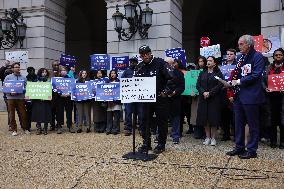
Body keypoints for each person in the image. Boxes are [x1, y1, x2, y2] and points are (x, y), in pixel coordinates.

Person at [226, 34, 265, 159]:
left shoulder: (257, 56)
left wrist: (238, 82)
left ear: (249, 44)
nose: (239, 46)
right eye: (239, 44)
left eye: (241, 44)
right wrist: (230, 82)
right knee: (238, 123)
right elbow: (238, 73)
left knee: (253, 124)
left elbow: (256, 75)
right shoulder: (241, 57)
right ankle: (239, 147)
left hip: (251, 95)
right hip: (239, 95)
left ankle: (252, 150)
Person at [135, 45, 174, 154]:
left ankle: (161, 144)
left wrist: (166, 92)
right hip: (145, 99)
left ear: (150, 53)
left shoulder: (161, 63)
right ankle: (146, 144)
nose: (145, 56)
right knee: (143, 121)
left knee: (161, 121)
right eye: (143, 55)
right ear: (141, 56)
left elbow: (172, 78)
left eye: (147, 53)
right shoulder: (139, 67)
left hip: (160, 98)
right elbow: (135, 82)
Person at [196, 56, 224, 146]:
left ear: (214, 63)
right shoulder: (202, 73)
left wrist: (210, 93)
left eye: (210, 61)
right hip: (204, 99)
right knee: (205, 119)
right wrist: (203, 92)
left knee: (213, 119)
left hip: (214, 99)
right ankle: (207, 137)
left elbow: (220, 85)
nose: (208, 62)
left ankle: (213, 138)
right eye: (207, 60)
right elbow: (198, 85)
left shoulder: (218, 73)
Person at [264, 48, 284, 148]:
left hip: (282, 98)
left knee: (282, 120)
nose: (278, 57)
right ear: (273, 57)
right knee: (272, 120)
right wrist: (265, 88)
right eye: (276, 55)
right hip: (271, 98)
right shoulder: (268, 68)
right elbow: (262, 81)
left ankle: (282, 142)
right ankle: (273, 141)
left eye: (280, 55)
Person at [4, 62, 30, 136]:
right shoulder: (8, 77)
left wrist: (22, 90)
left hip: (20, 98)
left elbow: (26, 88)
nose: (18, 68)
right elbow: (5, 88)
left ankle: (25, 128)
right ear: (12, 69)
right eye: (16, 67)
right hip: (10, 98)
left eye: (18, 67)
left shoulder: (24, 77)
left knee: (23, 114)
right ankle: (14, 130)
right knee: (11, 114)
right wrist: (10, 92)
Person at [121, 57, 143, 136]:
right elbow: (122, 80)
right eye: (131, 62)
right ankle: (128, 128)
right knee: (128, 112)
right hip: (129, 96)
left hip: (139, 96)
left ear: (137, 63)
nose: (132, 63)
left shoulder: (140, 70)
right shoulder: (126, 71)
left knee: (140, 112)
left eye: (134, 62)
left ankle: (141, 128)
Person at [165, 57, 185, 144]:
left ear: (173, 64)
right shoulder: (161, 73)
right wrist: (164, 92)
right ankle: (160, 136)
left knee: (176, 118)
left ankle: (175, 136)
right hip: (164, 98)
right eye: (167, 63)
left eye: (170, 63)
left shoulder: (179, 73)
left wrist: (175, 92)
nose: (169, 65)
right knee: (162, 118)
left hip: (175, 98)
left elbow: (182, 86)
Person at [220, 49, 237, 141]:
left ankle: (235, 134)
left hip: (234, 92)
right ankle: (225, 134)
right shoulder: (221, 67)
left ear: (235, 55)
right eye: (228, 54)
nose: (229, 55)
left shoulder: (238, 66)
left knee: (234, 114)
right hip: (223, 93)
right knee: (224, 114)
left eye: (231, 54)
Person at [31, 68, 52, 135]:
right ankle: (39, 128)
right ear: (40, 73)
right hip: (38, 100)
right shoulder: (36, 80)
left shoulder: (49, 81)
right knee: (38, 114)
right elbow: (32, 90)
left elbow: (51, 91)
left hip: (46, 101)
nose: (44, 73)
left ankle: (45, 128)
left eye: (45, 72)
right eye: (43, 72)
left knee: (46, 114)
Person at [56, 66, 75, 134]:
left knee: (69, 112)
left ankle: (69, 125)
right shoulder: (57, 79)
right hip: (60, 98)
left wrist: (69, 93)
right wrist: (60, 94)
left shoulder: (70, 78)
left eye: (64, 70)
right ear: (59, 72)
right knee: (59, 112)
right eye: (62, 70)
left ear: (66, 71)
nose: (63, 71)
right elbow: (55, 88)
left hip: (68, 98)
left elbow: (73, 87)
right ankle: (59, 126)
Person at [191, 56, 206, 139]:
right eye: (199, 61)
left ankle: (204, 132)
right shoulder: (194, 72)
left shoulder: (207, 71)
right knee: (195, 114)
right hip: (195, 96)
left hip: (203, 95)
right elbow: (191, 83)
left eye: (202, 61)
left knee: (203, 113)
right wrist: (191, 92)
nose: (201, 63)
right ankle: (197, 131)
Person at [106, 70, 121, 135]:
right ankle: (109, 129)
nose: (113, 74)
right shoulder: (107, 82)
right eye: (111, 73)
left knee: (116, 116)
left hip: (116, 101)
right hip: (109, 102)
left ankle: (116, 129)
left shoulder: (119, 81)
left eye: (114, 73)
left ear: (116, 74)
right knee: (109, 116)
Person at [26, 66, 38, 132]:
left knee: (36, 112)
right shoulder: (26, 78)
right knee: (29, 113)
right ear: (28, 71)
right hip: (29, 98)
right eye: (30, 71)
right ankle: (28, 126)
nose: (32, 72)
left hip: (36, 97)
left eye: (33, 70)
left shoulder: (36, 77)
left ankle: (37, 125)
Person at [50, 60, 60, 131]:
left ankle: (58, 124)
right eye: (55, 65)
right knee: (52, 111)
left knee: (58, 111)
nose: (56, 66)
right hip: (52, 95)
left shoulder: (61, 73)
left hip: (59, 96)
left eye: (57, 65)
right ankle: (52, 125)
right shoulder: (49, 73)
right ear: (52, 66)